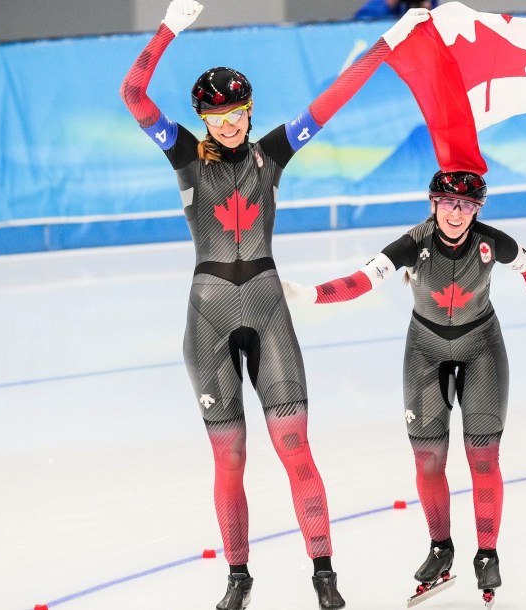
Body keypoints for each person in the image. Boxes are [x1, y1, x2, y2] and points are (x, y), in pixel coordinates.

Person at [118, 1, 429, 608]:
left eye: (236, 113)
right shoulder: (183, 152)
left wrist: (387, 44)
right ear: (202, 118)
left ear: (250, 110)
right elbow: (132, 93)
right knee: (229, 456)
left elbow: (333, 101)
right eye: (216, 115)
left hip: (266, 309)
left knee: (296, 450)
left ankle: (324, 576)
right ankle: (238, 578)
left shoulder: (274, 154)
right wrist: (168, 28)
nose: (228, 124)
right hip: (208, 315)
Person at [282, 170, 526, 607]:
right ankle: (441, 547)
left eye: (468, 206)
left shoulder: (492, 242)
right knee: (428, 458)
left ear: (478, 209)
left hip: (482, 348)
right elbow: (361, 281)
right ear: (433, 203)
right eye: (449, 203)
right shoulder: (412, 245)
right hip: (425, 351)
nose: (457, 213)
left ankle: (487, 552)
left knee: (483, 456)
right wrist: (310, 295)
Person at [354, 0, 436, 20]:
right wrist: (390, 4)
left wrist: (429, 13)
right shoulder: (379, 4)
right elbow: (359, 21)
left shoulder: (429, 2)